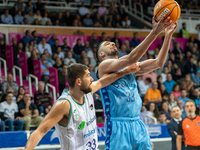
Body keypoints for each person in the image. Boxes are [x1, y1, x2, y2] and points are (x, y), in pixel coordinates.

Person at [96, 15, 177, 149]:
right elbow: (131, 58)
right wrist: (155, 32)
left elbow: (159, 63)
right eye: (107, 44)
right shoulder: (103, 66)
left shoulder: (129, 67)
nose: (113, 43)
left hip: (137, 122)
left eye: (112, 43)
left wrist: (168, 35)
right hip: (118, 124)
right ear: (101, 55)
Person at [17, 63, 140, 150]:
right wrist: (27, 149)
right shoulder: (64, 104)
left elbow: (103, 81)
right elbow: (40, 131)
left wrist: (125, 71)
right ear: (78, 81)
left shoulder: (88, 91)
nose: (92, 78)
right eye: (88, 75)